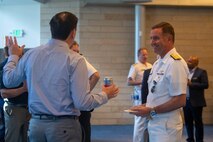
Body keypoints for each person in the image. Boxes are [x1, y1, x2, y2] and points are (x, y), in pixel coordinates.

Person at [3, 11, 119, 142]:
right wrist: (105, 94)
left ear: (52, 29)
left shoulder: (31, 54)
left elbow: (8, 81)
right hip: (63, 128)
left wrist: (13, 56)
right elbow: (82, 103)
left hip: (36, 126)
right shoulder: (75, 59)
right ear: (73, 33)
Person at [129, 22, 189, 142]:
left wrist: (151, 110)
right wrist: (145, 106)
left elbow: (180, 100)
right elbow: (158, 94)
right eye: (151, 38)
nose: (152, 42)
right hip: (155, 122)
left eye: (156, 38)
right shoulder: (157, 63)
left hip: (167, 127)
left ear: (169, 39)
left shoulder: (175, 63)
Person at [70, 41, 100, 142]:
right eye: (74, 51)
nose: (77, 53)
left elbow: (96, 76)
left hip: (81, 106)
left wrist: (84, 92)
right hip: (72, 106)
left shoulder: (80, 60)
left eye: (78, 51)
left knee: (84, 133)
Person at [0, 45, 29, 142]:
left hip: (29, 109)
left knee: (28, 138)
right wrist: (24, 89)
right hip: (14, 108)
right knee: (12, 138)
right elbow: (4, 93)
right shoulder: (4, 67)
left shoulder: (25, 66)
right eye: (18, 53)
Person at [127, 48, 152, 142]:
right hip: (139, 97)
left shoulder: (151, 65)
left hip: (150, 96)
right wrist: (143, 82)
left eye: (146, 54)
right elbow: (129, 82)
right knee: (140, 122)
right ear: (138, 56)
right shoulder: (135, 66)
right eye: (143, 55)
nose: (145, 56)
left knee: (148, 121)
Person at [183, 56, 209, 142]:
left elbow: (205, 85)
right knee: (188, 122)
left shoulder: (201, 72)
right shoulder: (185, 72)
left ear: (195, 63)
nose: (187, 63)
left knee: (198, 123)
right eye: (187, 61)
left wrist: (191, 84)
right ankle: (190, 138)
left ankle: (199, 140)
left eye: (190, 62)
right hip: (186, 101)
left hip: (196, 102)